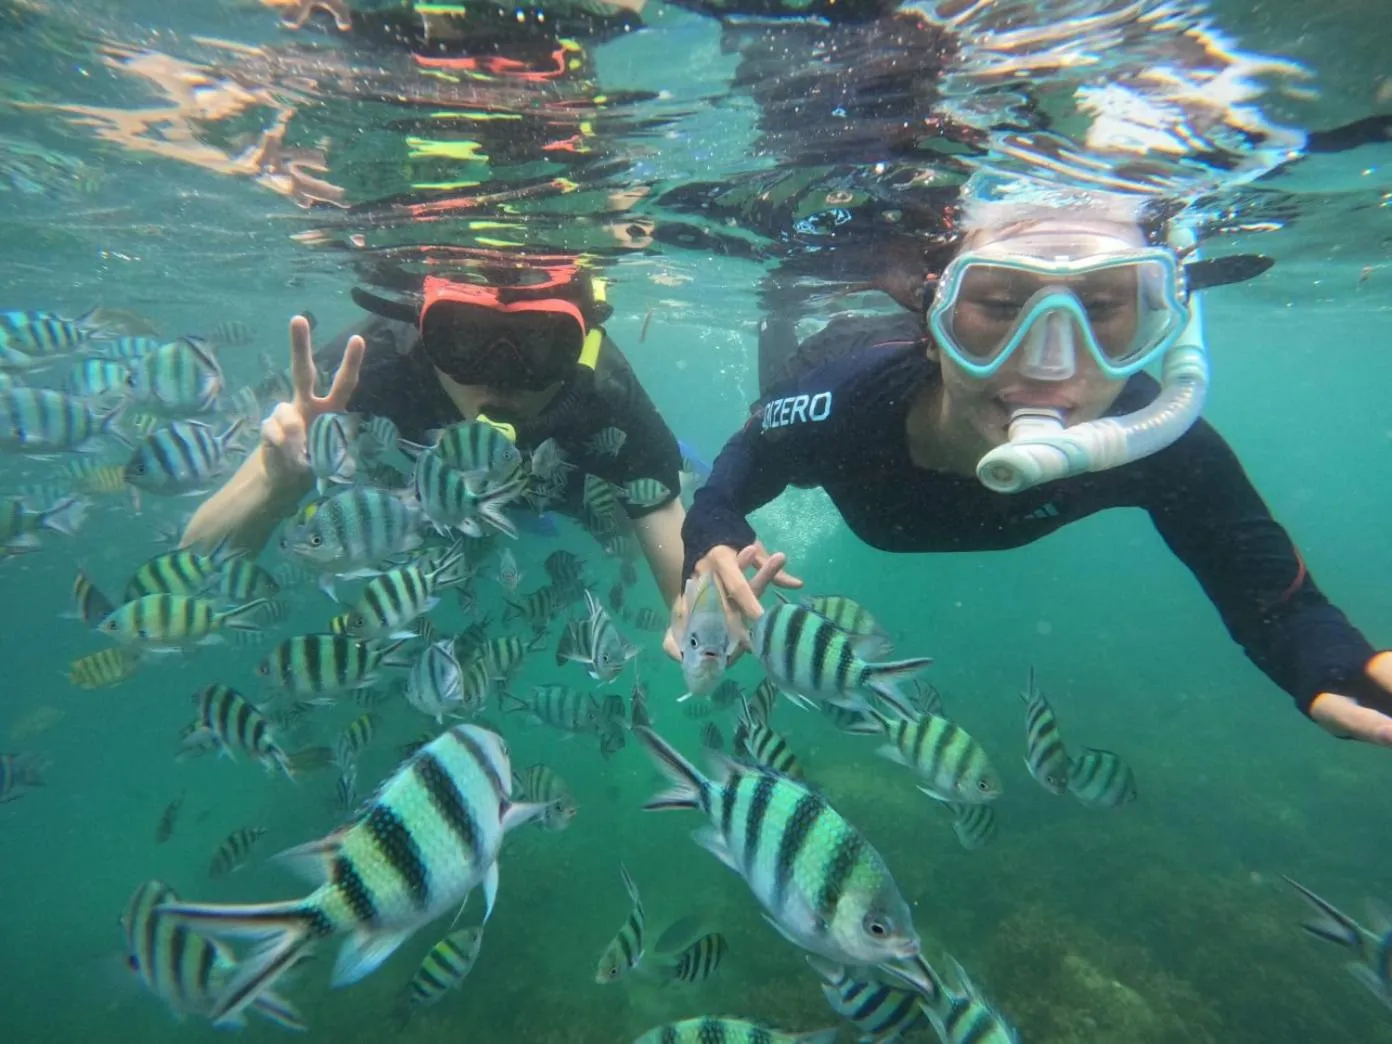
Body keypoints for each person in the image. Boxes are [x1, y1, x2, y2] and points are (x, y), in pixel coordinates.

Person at [670, 194, 1392, 747]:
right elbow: (740, 471)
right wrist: (715, 539)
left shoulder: (1154, 437)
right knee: (769, 407)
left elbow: (1276, 599)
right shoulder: (843, 402)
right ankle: (781, 310)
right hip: (842, 354)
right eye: (998, 306)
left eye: (1104, 310)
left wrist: (1333, 665)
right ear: (936, 322)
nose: (1050, 365)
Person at [183, 261, 687, 605]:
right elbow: (189, 574)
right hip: (445, 496)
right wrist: (276, 479)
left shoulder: (603, 392)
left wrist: (698, 623)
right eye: (463, 337)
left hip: (571, 479)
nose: (500, 375)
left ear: (576, 343)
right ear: (425, 333)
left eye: (539, 343)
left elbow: (663, 526)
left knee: (620, 522)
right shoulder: (376, 357)